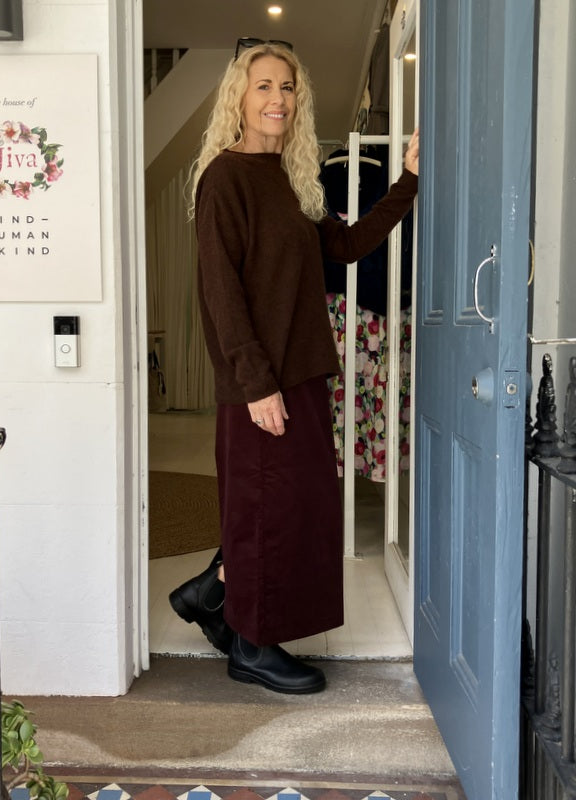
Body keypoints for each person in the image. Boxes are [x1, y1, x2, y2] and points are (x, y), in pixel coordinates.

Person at [169, 37, 419, 694]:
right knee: (268, 512)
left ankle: (213, 593)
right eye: (264, 86)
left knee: (292, 507)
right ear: (239, 98)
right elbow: (221, 292)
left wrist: (408, 182)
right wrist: (255, 384)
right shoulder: (224, 177)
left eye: (287, 87)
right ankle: (251, 645)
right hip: (261, 383)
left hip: (302, 374)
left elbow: (347, 244)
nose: (277, 98)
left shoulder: (292, 179)